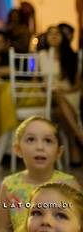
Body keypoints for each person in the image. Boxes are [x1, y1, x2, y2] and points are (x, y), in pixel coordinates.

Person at [0, 116, 80, 231]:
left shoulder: (70, 184)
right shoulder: (9, 185)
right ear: (18, 149)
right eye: (31, 139)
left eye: (48, 141)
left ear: (58, 152)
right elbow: (2, 229)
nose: (39, 147)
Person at [39, 25, 83, 163]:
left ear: (63, 37)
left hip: (69, 93)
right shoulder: (40, 55)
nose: (54, 36)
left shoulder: (72, 56)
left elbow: (77, 85)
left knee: (59, 111)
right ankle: (80, 137)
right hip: (47, 94)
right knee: (56, 95)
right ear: (45, 37)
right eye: (50, 33)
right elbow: (35, 79)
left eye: (57, 33)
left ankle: (75, 147)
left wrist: (65, 91)